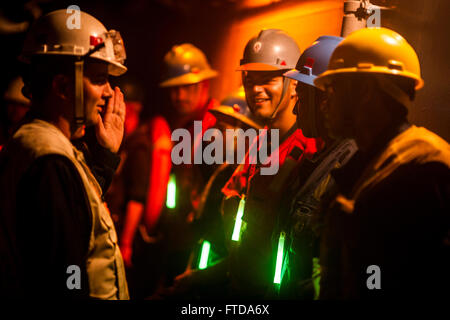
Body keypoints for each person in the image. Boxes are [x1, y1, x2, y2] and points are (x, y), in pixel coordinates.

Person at [0, 9, 129, 299]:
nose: (110, 92)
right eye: (98, 79)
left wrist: (105, 159)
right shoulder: (50, 161)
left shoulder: (43, 146)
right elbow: (63, 280)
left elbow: (76, 222)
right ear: (61, 86)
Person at [313, 27, 450, 299]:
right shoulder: (371, 164)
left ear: (365, 91)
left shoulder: (424, 169)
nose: (324, 103)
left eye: (334, 88)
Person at [221, 29, 318, 299]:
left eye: (267, 81)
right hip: (245, 284)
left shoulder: (308, 147)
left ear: (294, 84)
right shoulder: (261, 140)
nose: (255, 90)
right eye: (250, 80)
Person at [118, 43, 219, 298]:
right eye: (174, 89)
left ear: (204, 85)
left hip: (202, 240)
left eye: (186, 87)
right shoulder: (184, 127)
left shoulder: (218, 128)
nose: (179, 96)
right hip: (177, 236)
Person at [280, 36, 358, 299]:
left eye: (301, 96)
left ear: (324, 97)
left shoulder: (347, 166)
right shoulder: (321, 160)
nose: (294, 111)